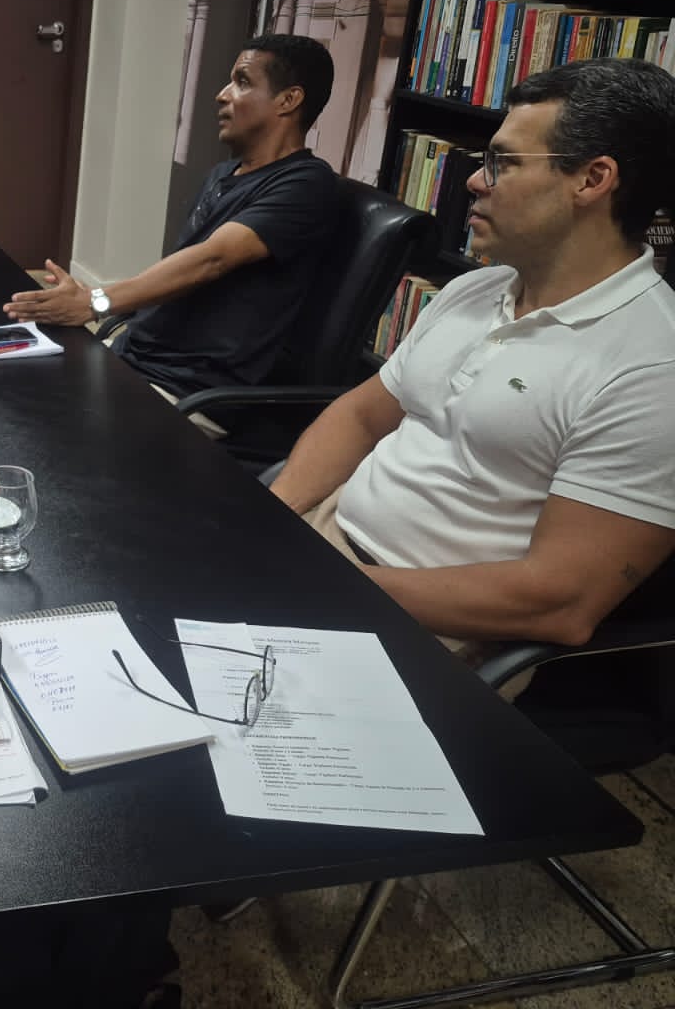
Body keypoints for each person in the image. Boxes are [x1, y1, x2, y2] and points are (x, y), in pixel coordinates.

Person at [271, 58, 675, 652]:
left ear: (592, 180)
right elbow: (361, 416)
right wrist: (273, 518)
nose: (474, 182)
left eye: (503, 163)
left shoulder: (653, 367)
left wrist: (330, 584)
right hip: (325, 544)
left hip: (431, 627)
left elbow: (559, 603)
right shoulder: (476, 289)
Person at [5, 34, 337, 413]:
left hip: (184, 388)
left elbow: (213, 259)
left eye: (242, 82)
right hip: (135, 358)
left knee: (29, 415)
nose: (222, 95)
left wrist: (96, 301)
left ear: (288, 100)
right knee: (3, 379)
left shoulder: (306, 183)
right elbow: (186, 273)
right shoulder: (222, 175)